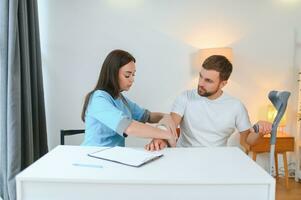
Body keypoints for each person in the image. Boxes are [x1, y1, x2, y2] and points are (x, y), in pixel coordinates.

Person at [145, 55, 272, 151]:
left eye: (208, 81)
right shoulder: (186, 97)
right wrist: (159, 137)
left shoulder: (236, 106)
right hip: (184, 157)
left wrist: (259, 131)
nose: (201, 83)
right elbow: (170, 124)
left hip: (216, 160)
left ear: (223, 84)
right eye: (200, 76)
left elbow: (247, 142)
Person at [81, 49, 177, 147]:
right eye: (127, 75)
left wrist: (165, 117)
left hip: (114, 156)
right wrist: (166, 135)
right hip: (93, 156)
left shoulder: (121, 99)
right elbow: (128, 127)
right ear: (113, 74)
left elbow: (148, 116)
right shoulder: (98, 99)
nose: (132, 79)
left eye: (133, 74)